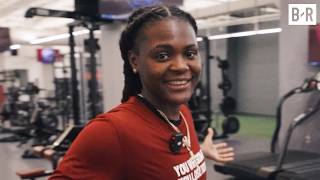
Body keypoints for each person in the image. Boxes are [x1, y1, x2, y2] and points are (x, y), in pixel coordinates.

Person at [50, 5, 233, 180]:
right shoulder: (110, 131)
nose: (181, 66)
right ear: (134, 61)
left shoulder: (182, 113)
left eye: (190, 53)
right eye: (162, 55)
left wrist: (200, 153)